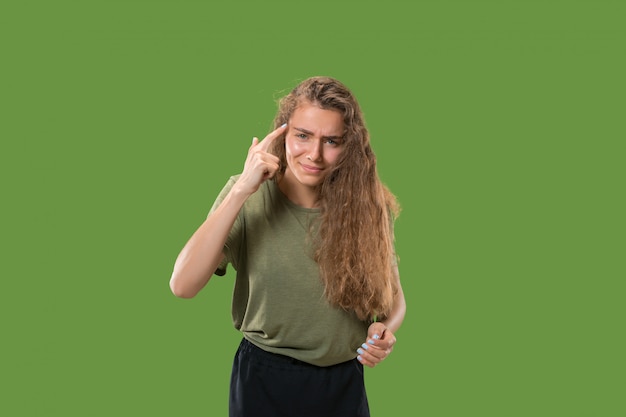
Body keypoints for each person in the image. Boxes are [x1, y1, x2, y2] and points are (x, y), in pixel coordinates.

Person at [169, 76, 406, 417]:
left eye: (332, 141)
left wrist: (385, 330)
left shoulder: (368, 205)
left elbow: (393, 296)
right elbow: (182, 284)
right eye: (303, 136)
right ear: (282, 133)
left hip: (343, 382)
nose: (315, 154)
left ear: (349, 145)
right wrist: (241, 190)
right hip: (263, 380)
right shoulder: (247, 196)